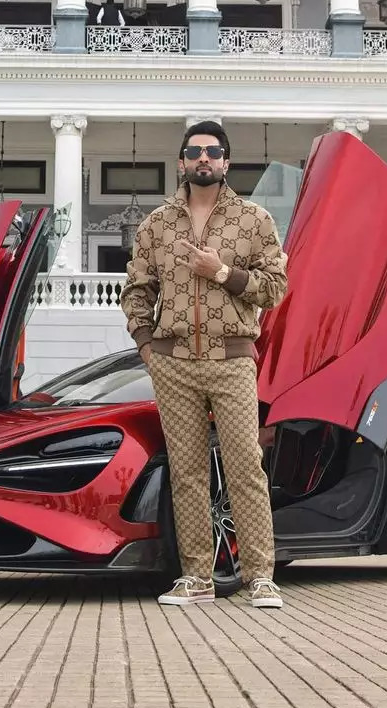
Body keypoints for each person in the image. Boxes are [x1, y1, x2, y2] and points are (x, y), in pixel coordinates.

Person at [120, 120, 288, 609]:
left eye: (213, 152)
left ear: (226, 162)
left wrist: (221, 272)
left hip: (232, 360)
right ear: (181, 162)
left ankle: (261, 577)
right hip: (172, 364)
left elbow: (276, 288)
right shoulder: (156, 224)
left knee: (244, 467)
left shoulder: (254, 220)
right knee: (188, 472)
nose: (204, 159)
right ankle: (197, 578)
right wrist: (147, 346)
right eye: (194, 152)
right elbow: (136, 290)